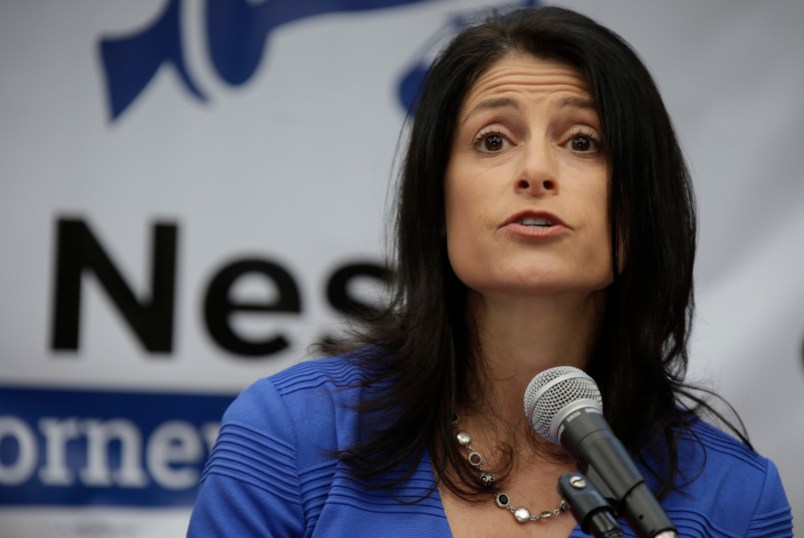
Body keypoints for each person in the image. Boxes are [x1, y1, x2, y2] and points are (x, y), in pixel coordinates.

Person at [187, 6, 792, 537]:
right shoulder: (290, 436)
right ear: (438, 202)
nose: (535, 171)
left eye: (582, 142)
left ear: (641, 207)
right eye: (493, 140)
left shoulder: (734, 499)